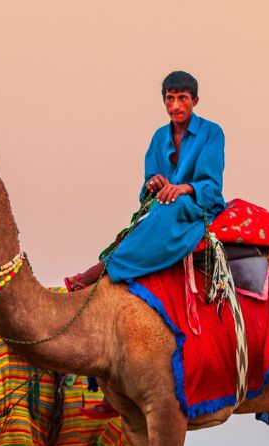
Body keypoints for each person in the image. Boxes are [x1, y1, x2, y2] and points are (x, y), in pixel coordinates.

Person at [66, 70, 227, 289]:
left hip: (198, 208)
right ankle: (111, 265)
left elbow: (212, 188)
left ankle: (102, 269)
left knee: (171, 205)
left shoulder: (212, 132)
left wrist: (182, 189)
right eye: (170, 98)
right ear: (164, 101)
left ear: (195, 101)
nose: (176, 106)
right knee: (154, 212)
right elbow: (147, 189)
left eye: (182, 98)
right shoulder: (160, 137)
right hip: (164, 206)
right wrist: (153, 185)